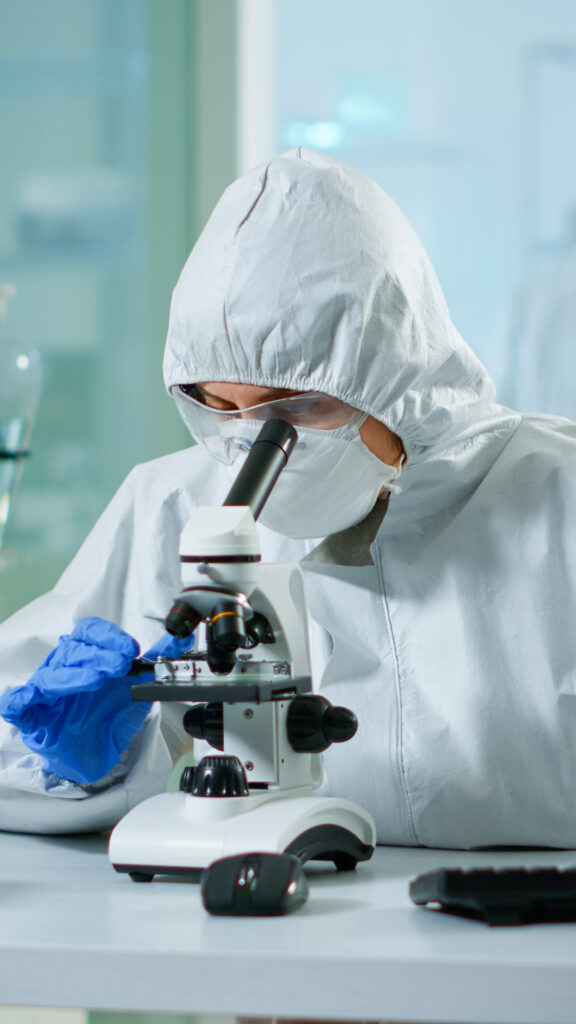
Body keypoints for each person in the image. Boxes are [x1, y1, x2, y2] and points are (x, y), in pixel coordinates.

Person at [0, 147, 575, 847]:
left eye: (293, 410)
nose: (251, 449)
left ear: (395, 374)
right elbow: (20, 735)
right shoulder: (170, 506)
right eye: (218, 405)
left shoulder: (555, 497)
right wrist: (76, 762)